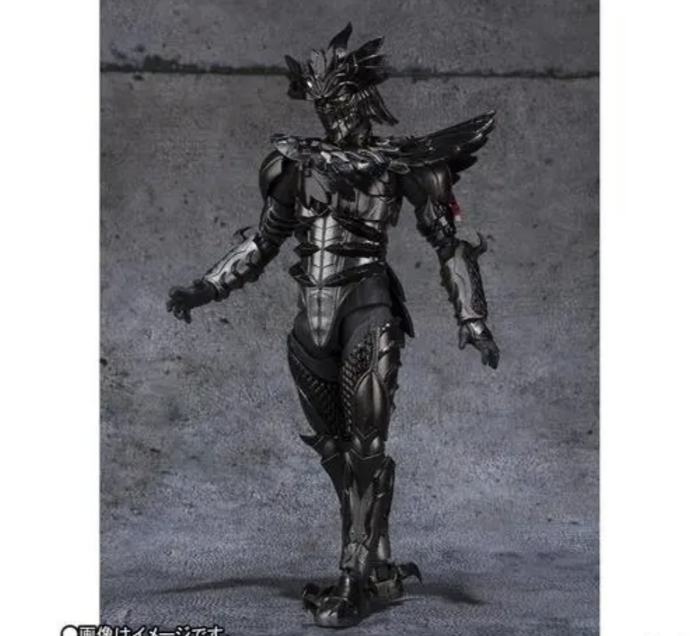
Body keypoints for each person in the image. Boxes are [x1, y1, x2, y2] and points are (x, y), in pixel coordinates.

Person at [166, 22, 499, 628]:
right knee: (336, 452)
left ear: (364, 97)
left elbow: (450, 243)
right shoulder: (293, 163)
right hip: (309, 324)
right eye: (323, 104)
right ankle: (378, 563)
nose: (332, 114)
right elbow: (264, 240)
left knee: (366, 447)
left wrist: (472, 317)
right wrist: (207, 286)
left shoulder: (404, 164)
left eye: (341, 101)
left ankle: (353, 574)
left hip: (367, 310)